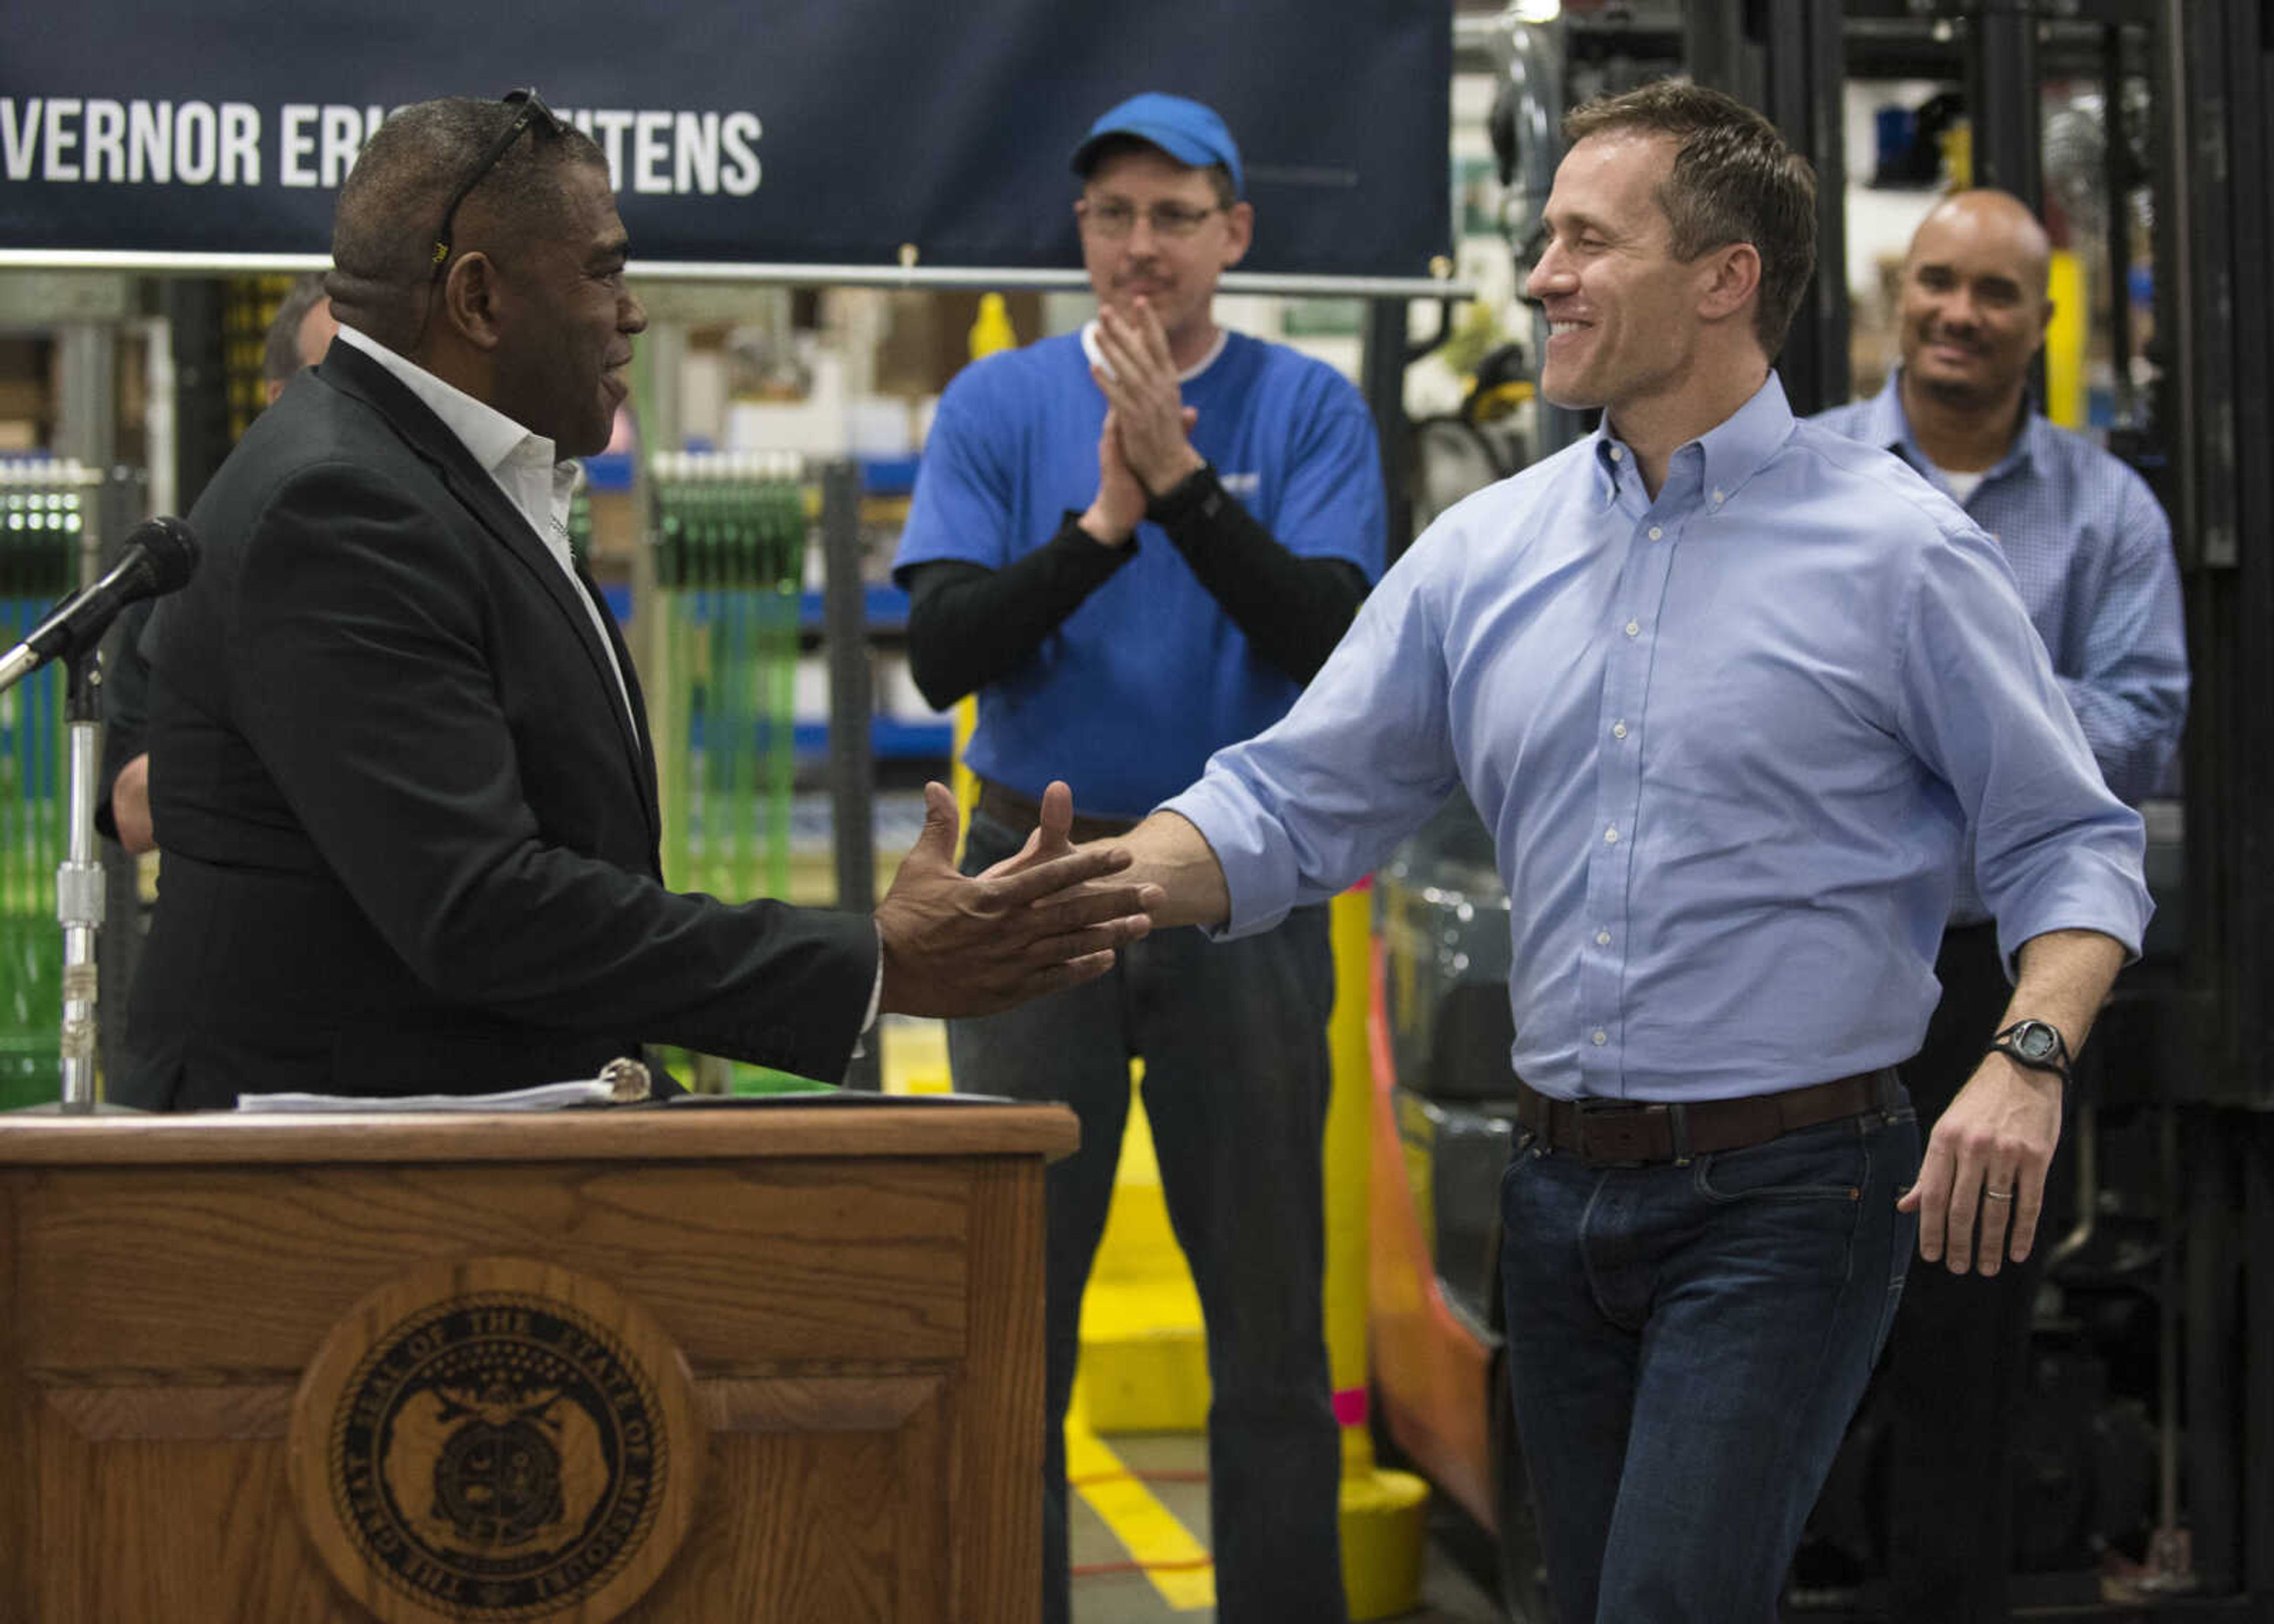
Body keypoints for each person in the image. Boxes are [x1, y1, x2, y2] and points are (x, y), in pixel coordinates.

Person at [1005, 82, 2152, 1623]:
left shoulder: (1901, 553)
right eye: (1545, 236)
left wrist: (2025, 1053)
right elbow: (1290, 799)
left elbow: (2075, 838)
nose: (1540, 274)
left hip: (1791, 1191)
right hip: (1555, 1203)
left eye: (1586, 240)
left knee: (1669, 1597)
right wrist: (1075, 889)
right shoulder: (1491, 550)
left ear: (1726, 278)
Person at [122, 94, 1158, 1111]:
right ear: (478, 301)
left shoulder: (438, 473)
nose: (634, 309)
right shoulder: (341, 505)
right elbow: (478, 905)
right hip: (334, 1183)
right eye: (603, 269)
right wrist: (875, 961)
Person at [892, 91, 1385, 1624]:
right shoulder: (995, 402)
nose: (1142, 246)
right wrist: (1107, 519)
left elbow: (1327, 633)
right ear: (1082, 236)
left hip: (1241, 878)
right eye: (1114, 215)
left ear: (1235, 234)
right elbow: (944, 649)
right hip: (1030, 880)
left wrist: (1182, 484)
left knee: (1269, 1323)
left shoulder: (1308, 407)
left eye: (1176, 215)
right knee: (1014, 1319)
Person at [1813, 189, 2188, 1622]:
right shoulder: (1806, 471)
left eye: (1994, 292)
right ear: (1894, 297)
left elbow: (2147, 725)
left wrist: (1950, 710)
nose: (1958, 313)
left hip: (2000, 979)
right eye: (1935, 282)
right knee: (1779, 1312)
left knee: (1967, 1327)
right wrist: (2005, 716)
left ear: (2041, 320)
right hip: (1820, 966)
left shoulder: (2104, 511)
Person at [99, 275, 339, 856]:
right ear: (282, 401)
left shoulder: (448, 558)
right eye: (343, 381)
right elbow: (132, 806)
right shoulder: (185, 574)